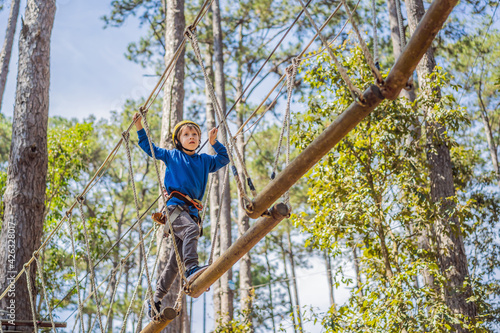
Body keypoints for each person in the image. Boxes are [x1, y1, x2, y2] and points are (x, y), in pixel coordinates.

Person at [133, 112, 230, 318]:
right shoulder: (172, 156)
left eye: (195, 134)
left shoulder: (204, 161)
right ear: (178, 140)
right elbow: (149, 148)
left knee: (173, 265)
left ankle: (155, 299)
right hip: (175, 209)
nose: (192, 136)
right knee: (191, 230)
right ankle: (192, 267)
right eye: (186, 134)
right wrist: (140, 126)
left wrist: (215, 143)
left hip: (190, 213)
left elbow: (224, 159)